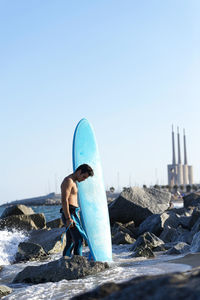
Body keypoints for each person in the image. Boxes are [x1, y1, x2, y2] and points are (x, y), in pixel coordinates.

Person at [60, 164, 94, 257]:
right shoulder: (68, 181)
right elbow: (64, 200)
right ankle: (77, 264)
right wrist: (68, 218)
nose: (84, 179)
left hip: (74, 213)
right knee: (78, 240)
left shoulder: (74, 181)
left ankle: (65, 263)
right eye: (83, 177)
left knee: (71, 241)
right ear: (79, 172)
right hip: (70, 214)